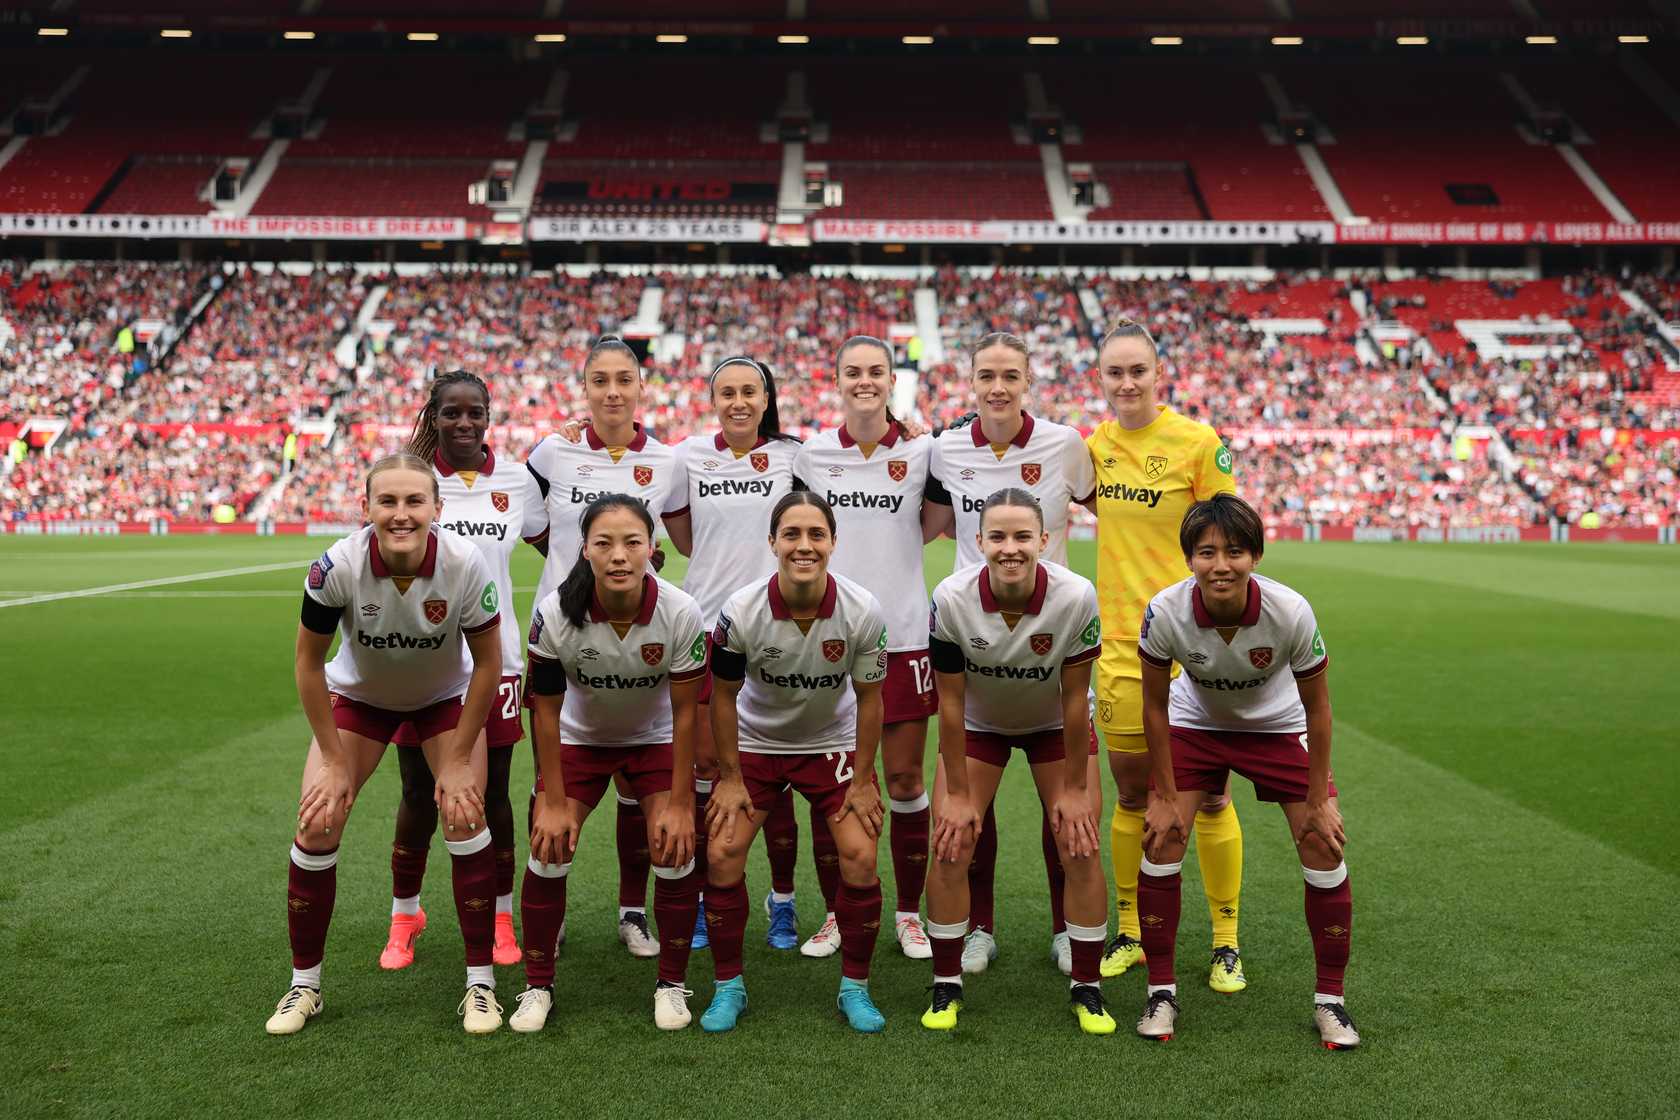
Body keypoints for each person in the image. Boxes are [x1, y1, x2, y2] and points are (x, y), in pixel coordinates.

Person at [265, 453, 505, 1036]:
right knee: (317, 823)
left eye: (414, 501)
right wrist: (330, 758)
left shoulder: (465, 563)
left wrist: (456, 758)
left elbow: (489, 663)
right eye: (388, 502)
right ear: (366, 508)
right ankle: (305, 987)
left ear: (437, 509)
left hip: (442, 701)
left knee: (464, 816)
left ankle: (481, 985)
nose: (401, 514)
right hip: (361, 701)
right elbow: (307, 662)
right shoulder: (336, 567)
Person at [1133, 495, 1357, 1049]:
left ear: (1255, 555)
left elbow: (1319, 709)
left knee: (1324, 846)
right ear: (1190, 560)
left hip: (1276, 728)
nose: (1221, 564)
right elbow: (1155, 708)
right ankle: (1161, 992)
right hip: (1196, 723)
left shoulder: (1291, 611)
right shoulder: (1165, 611)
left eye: (1234, 551)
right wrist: (1161, 793)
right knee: (1162, 840)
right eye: (1207, 552)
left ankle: (1331, 1001)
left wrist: (1319, 797)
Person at [923, 330, 1101, 976]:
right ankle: (978, 927)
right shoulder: (943, 450)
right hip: (974, 641)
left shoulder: (1064, 445)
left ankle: (1065, 928)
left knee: (1069, 816)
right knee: (971, 806)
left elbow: (1105, 507)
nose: (998, 387)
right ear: (970, 382)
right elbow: (922, 522)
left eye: (1010, 375)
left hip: (1051, 639)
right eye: (986, 375)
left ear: (1029, 381)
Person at [1085, 320, 1247, 993]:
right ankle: (1128, 928)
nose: (1127, 384)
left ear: (1159, 374)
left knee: (1208, 796)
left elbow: (1232, 537)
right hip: (1122, 645)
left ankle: (1226, 941)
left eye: (1137, 372)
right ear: (1101, 380)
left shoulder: (1199, 442)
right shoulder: (1090, 447)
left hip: (1196, 645)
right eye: (1114, 374)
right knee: (1131, 792)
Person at [508, 495, 708, 1032]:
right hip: (581, 740)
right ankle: (537, 985)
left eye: (631, 543)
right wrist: (549, 798)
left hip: (654, 738)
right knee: (547, 846)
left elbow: (688, 713)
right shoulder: (554, 612)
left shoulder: (681, 611)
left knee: (673, 844)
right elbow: (545, 713)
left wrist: (683, 801)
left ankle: (671, 982)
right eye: (604, 543)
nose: (619, 555)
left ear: (652, 549)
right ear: (585, 551)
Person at [922, 489, 1114, 1034]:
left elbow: (1076, 698)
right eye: (998, 537)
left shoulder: (1075, 595)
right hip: (979, 724)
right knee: (951, 840)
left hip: (1055, 723)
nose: (1010, 549)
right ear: (977, 541)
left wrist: (1076, 789)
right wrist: (957, 796)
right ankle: (945, 985)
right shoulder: (951, 597)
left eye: (1022, 537)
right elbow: (952, 701)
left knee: (1079, 842)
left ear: (1043, 541)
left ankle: (1087, 986)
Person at [699, 491, 892, 1033]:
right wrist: (730, 777)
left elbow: (871, 698)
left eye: (816, 535)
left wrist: (863, 778)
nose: (804, 546)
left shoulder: (862, 609)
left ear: (833, 543)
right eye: (791, 534)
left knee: (859, 856)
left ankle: (855, 987)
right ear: (772, 543)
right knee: (722, 853)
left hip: (830, 743)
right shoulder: (740, 611)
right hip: (758, 746)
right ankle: (728, 987)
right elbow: (722, 695)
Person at [525, 336, 692, 959]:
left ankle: (632, 912)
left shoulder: (669, 462)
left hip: (640, 631)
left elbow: (674, 540)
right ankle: (551, 911)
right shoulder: (552, 450)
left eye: (624, 379)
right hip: (568, 630)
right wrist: (575, 576)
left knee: (634, 778)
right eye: (600, 380)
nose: (613, 391)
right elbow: (533, 522)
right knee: (555, 766)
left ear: (642, 387)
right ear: (585, 388)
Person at [379, 371, 549, 973]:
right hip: (423, 661)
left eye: (474, 412)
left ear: (489, 416)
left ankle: (502, 917)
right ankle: (406, 914)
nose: (464, 423)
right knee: (418, 793)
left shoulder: (517, 481)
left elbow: (557, 544)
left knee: (493, 793)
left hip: (495, 660)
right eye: (451, 413)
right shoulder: (416, 482)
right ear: (435, 416)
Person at [793, 335, 940, 961]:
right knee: (837, 783)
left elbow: (929, 528)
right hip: (830, 643)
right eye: (852, 371)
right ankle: (834, 912)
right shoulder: (811, 454)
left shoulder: (924, 450)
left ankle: (909, 914)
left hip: (904, 637)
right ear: (837, 378)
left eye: (875, 371)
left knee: (904, 780)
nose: (864, 381)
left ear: (890, 379)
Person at [665, 357, 805, 952]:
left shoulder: (797, 456)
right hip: (705, 628)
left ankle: (783, 900)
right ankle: (702, 897)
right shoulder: (687, 456)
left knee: (775, 779)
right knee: (710, 775)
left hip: (775, 632)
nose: (740, 401)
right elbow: (683, 535)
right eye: (728, 392)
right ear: (714, 399)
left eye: (751, 391)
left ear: (768, 398)